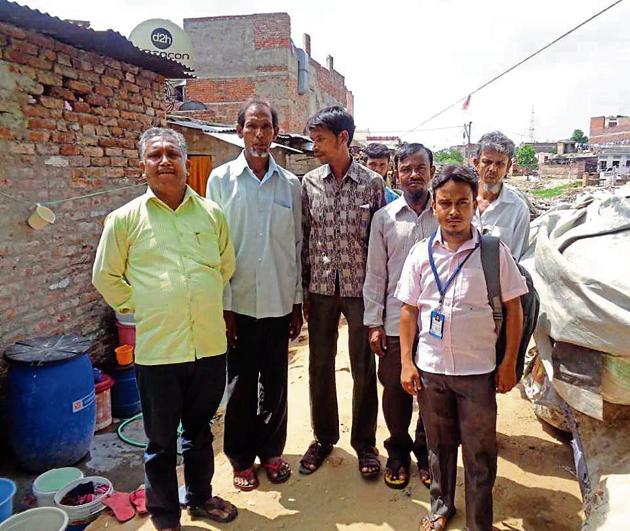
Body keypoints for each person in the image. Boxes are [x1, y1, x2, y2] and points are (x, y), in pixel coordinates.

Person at [92, 127, 237, 531]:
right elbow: (105, 277)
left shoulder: (211, 215)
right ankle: (165, 515)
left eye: (173, 153)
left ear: (187, 164)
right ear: (143, 167)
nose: (165, 161)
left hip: (208, 345)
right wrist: (144, 306)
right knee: (160, 443)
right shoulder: (125, 220)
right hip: (158, 351)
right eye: (155, 155)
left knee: (200, 432)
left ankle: (201, 497)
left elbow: (226, 267)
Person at [395, 165, 527, 531]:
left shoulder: (492, 252)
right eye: (446, 203)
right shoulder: (421, 254)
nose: (454, 212)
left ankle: (478, 522)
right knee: (438, 445)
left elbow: (514, 308)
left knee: (480, 452)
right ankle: (440, 507)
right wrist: (407, 362)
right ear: (434, 207)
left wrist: (509, 362)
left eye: (462, 203)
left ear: (474, 207)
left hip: (478, 372)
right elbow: (408, 311)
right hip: (432, 370)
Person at [206, 99, 302, 492]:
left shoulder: (291, 185)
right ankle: (240, 458)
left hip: (279, 303)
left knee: (276, 382)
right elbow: (216, 246)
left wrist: (296, 303)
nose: (259, 134)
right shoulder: (220, 181)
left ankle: (272, 452)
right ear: (240, 131)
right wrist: (224, 307)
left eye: (266, 127)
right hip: (239, 304)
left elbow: (295, 246)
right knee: (241, 385)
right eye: (252, 127)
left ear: (276, 133)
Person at [300, 105, 385, 479]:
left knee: (363, 367)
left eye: (321, 139)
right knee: (319, 365)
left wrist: (380, 299)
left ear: (343, 139)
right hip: (320, 288)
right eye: (314, 138)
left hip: (360, 290)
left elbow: (381, 246)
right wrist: (303, 291)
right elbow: (305, 238)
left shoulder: (372, 184)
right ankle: (323, 437)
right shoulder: (309, 183)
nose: (314, 146)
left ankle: (365, 444)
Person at [363, 143, 438, 490]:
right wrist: (374, 323)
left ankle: (425, 452)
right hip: (395, 324)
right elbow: (376, 275)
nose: (413, 174)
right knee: (395, 390)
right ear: (397, 173)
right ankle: (397, 451)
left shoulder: (446, 215)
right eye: (406, 168)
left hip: (439, 326)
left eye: (420, 168)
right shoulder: (385, 219)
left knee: (432, 392)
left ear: (431, 172)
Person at [472, 131, 530, 259]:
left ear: (508, 166)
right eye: (487, 162)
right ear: (476, 163)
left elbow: (517, 259)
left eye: (500, 164)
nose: (492, 169)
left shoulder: (518, 210)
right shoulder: (459, 203)